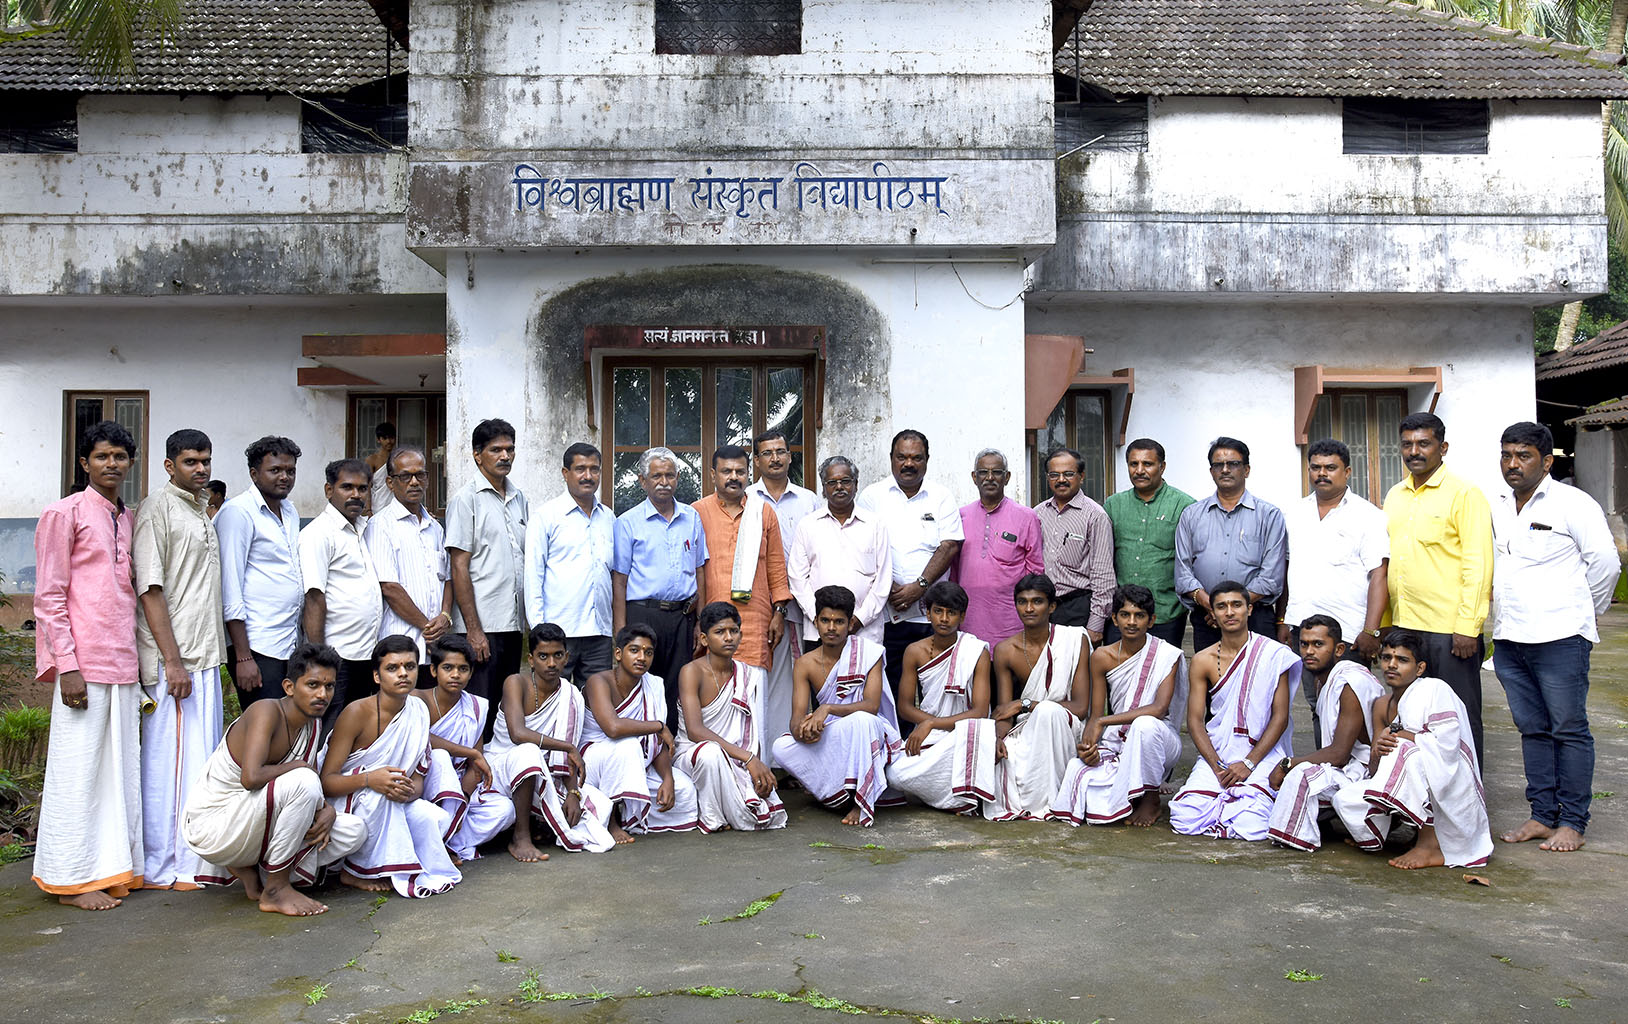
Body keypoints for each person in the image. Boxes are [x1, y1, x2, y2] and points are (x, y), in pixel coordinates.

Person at [1491, 421, 1620, 853]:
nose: (1513, 464)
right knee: (1532, 729)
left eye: (1523, 455)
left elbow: (1605, 564)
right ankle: (1542, 816)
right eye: (1507, 454)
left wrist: (1586, 613)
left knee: (1569, 729)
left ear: (1546, 461)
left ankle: (1573, 822)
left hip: (1561, 637)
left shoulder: (1573, 504)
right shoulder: (1499, 506)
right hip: (1510, 639)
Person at [30, 420, 143, 910]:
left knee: (117, 775)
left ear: (130, 463)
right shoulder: (64, 513)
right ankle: (69, 878)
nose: (111, 464)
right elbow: (49, 596)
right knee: (78, 773)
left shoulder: (129, 518)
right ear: (84, 463)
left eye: (119, 456)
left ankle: (109, 867)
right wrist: (67, 665)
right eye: (101, 456)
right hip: (83, 663)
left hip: (123, 662)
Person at [180, 643, 367, 916]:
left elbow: (308, 790)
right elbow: (252, 777)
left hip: (254, 824)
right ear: (289, 687)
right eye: (312, 684)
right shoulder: (265, 711)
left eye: (329, 686)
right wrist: (300, 767)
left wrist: (326, 810)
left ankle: (256, 875)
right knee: (302, 778)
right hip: (215, 827)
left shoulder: (312, 723)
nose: (322, 694)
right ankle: (276, 889)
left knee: (354, 830)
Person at [134, 427, 229, 890]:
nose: (201, 469)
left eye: (206, 461)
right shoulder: (157, 509)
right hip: (177, 662)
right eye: (191, 462)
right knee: (169, 766)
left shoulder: (201, 511)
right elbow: (150, 591)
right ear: (170, 466)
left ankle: (197, 858)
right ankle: (162, 864)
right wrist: (172, 662)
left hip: (205, 656)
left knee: (199, 764)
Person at [1383, 412, 1493, 766]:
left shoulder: (1465, 494)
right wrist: (1386, 622)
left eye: (1424, 443)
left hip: (1449, 631)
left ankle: (1466, 802)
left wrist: (1467, 627)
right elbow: (1390, 563)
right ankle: (1419, 799)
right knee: (1411, 716)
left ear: (1442, 447)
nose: (1414, 451)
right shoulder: (1395, 496)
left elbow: (1479, 563)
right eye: (1407, 444)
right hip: (1405, 627)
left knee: (1457, 718)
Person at [1332, 630, 1493, 869]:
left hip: (1450, 783)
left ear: (1420, 668)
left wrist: (1401, 737)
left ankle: (1431, 845)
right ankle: (1384, 834)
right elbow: (1376, 769)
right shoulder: (1382, 705)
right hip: (1409, 776)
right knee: (1344, 798)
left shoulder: (1434, 689)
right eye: (1387, 658)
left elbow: (1446, 747)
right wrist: (1378, 748)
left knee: (1405, 750)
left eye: (1402, 660)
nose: (1392, 665)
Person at [320, 635, 462, 897]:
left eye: (409, 666)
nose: (403, 674)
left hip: (393, 799)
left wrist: (409, 791)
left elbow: (418, 776)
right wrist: (370, 779)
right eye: (392, 668)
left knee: (432, 818)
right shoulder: (356, 713)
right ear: (377, 676)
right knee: (378, 796)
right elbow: (326, 781)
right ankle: (354, 871)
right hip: (350, 801)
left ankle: (396, 860)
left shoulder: (418, 709)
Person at [1168, 580, 1301, 840]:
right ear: (1213, 614)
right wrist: (1217, 766)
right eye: (1222, 607)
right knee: (1184, 817)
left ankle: (1231, 807)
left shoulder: (1274, 654)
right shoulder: (1202, 660)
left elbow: (1280, 717)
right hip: (1218, 751)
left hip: (1263, 753)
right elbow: (1195, 721)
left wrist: (1249, 763)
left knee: (1254, 825)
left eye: (1236, 605)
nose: (1229, 612)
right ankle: (1226, 806)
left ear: (1249, 610)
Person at [1047, 584, 1186, 828]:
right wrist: (1089, 747)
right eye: (1125, 615)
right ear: (1114, 618)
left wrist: (1102, 721)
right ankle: (1133, 793)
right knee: (1083, 780)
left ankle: (1151, 798)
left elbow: (1159, 709)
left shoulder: (1166, 655)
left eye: (1139, 616)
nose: (1132, 622)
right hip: (1118, 740)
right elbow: (1095, 712)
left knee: (1144, 726)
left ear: (1151, 621)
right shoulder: (1102, 657)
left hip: (1160, 740)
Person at [771, 586, 901, 827]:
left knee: (863, 721)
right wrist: (804, 729)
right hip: (832, 732)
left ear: (850, 623)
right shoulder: (805, 663)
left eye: (839, 621)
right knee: (781, 747)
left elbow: (871, 706)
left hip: (867, 730)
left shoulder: (868, 653)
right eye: (825, 620)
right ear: (816, 621)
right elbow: (796, 718)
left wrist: (827, 709)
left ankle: (860, 801)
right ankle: (834, 795)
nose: (831, 628)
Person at [488, 624, 617, 854]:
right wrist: (567, 747)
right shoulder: (515, 683)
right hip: (502, 766)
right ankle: (521, 837)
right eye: (543, 656)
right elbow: (518, 735)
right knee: (529, 752)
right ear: (531, 658)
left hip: (545, 772)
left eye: (557, 655)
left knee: (599, 807)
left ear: (566, 657)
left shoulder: (571, 695)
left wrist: (573, 793)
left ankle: (543, 824)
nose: (551, 663)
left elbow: (566, 755)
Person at [856, 429, 963, 696]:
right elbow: (863, 547)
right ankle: (896, 739)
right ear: (891, 458)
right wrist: (889, 587)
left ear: (927, 460)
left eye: (916, 457)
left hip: (931, 615)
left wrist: (919, 587)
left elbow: (949, 546)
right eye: (901, 457)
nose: (909, 464)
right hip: (886, 613)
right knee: (890, 689)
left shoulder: (941, 496)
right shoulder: (872, 496)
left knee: (935, 692)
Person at [1264, 615, 1384, 852]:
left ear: (1339, 649)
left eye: (1318, 644)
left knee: (1300, 776)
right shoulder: (1325, 680)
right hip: (1347, 768)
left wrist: (1288, 764)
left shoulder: (1349, 682)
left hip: (1366, 773)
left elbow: (1339, 755)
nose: (1309, 651)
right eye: (1304, 644)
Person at [612, 446, 708, 730]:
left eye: (669, 475)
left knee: (676, 684)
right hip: (643, 615)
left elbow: (700, 570)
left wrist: (699, 621)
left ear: (677, 478)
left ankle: (671, 749)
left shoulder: (692, 518)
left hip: (682, 617)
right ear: (643, 481)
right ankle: (641, 746)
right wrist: (621, 629)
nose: (663, 482)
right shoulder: (627, 522)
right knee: (639, 681)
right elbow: (620, 579)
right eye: (656, 476)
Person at [693, 445, 793, 714]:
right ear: (713, 474)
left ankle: (751, 755)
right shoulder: (696, 512)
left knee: (754, 703)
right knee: (713, 699)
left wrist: (779, 612)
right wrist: (697, 620)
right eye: (726, 471)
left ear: (749, 473)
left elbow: (775, 566)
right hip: (710, 622)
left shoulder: (763, 512)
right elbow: (692, 570)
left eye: (740, 471)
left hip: (755, 624)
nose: (733, 477)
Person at [983, 574, 1091, 821]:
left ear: (1052, 606)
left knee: (1047, 711)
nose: (1029, 608)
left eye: (1037, 601)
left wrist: (1026, 704)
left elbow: (1081, 707)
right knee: (1004, 757)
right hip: (1025, 729)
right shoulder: (1004, 651)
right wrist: (998, 739)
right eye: (1022, 601)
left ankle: (1053, 802)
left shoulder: (1075, 640)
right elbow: (1003, 712)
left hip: (1065, 726)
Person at [446, 418, 529, 738]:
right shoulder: (466, 500)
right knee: (477, 704)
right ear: (477, 455)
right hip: (481, 626)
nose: (505, 456)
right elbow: (459, 567)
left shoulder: (519, 497)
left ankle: (495, 771)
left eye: (510, 449)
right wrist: (474, 629)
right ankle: (471, 769)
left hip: (511, 623)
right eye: (496, 450)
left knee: (502, 702)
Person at [580, 624, 701, 841]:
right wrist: (658, 726)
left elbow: (655, 744)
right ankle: (611, 820)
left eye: (648, 652)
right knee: (627, 745)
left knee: (685, 791)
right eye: (634, 650)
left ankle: (631, 817)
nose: (642, 657)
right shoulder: (598, 681)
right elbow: (613, 728)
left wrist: (668, 779)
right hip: (594, 761)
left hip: (634, 761)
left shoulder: (653, 685)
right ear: (618, 653)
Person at [675, 602, 787, 832]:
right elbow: (695, 731)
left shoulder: (747, 674)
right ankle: (712, 818)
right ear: (705, 639)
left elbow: (750, 729)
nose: (728, 638)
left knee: (766, 809)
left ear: (741, 634)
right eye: (720, 632)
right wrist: (749, 759)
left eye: (733, 631)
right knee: (710, 753)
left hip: (737, 757)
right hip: (693, 752)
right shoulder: (691, 672)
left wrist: (755, 762)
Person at [885, 581, 995, 814]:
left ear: (962, 616)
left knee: (976, 733)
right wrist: (929, 725)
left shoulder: (976, 650)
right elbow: (904, 706)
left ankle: (947, 792)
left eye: (951, 613)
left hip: (963, 733)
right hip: (931, 735)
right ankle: (954, 793)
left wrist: (931, 722)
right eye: (938, 611)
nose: (944, 618)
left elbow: (980, 712)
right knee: (895, 774)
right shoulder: (914, 651)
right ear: (927, 613)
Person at [1279, 438, 1389, 665]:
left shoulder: (1368, 516)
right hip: (1303, 628)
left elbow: (1380, 574)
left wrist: (1371, 631)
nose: (1322, 473)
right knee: (1312, 697)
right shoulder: (1295, 513)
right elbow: (1286, 568)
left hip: (1347, 632)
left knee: (1347, 696)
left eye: (1330, 468)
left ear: (1347, 471)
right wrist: (1283, 620)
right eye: (1316, 467)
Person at [749, 429, 822, 769]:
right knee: (769, 681)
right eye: (767, 453)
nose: (775, 458)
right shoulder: (748, 499)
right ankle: (771, 757)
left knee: (804, 680)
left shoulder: (809, 500)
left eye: (781, 451)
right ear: (757, 460)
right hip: (762, 604)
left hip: (808, 605)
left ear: (790, 456)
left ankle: (797, 758)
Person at [1175, 437, 1287, 653]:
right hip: (1206, 620)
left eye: (1233, 464)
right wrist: (1212, 606)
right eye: (1218, 465)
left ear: (1246, 470)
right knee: (1209, 683)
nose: (1225, 470)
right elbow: (1182, 573)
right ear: (1211, 471)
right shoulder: (1191, 515)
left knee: (1256, 683)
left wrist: (1228, 607)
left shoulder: (1269, 516)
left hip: (1255, 618)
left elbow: (1271, 577)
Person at [216, 435, 303, 707]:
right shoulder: (238, 513)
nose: (284, 477)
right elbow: (230, 585)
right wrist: (243, 656)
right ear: (254, 474)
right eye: (275, 470)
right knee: (263, 725)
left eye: (290, 471)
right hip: (256, 645)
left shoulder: (289, 511)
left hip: (287, 641)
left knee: (285, 724)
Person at [299, 458, 384, 733]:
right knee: (330, 729)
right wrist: (320, 659)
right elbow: (314, 597)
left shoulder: (363, 529)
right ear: (328, 490)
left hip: (366, 653)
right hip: (338, 655)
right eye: (347, 487)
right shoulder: (318, 534)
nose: (356, 495)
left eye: (362, 488)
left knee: (357, 730)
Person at [524, 442, 615, 687]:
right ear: (566, 474)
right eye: (580, 469)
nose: (588, 476)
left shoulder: (609, 517)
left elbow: (612, 574)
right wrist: (539, 631)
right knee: (553, 703)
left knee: (596, 706)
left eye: (594, 469)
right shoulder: (546, 517)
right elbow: (533, 575)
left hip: (599, 633)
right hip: (558, 634)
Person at [366, 446, 452, 684]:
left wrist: (445, 616)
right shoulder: (380, 526)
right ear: (391, 483)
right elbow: (389, 588)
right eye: (405, 476)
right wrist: (427, 628)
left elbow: (447, 578)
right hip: (401, 646)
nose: (414, 482)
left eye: (420, 475)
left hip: (435, 649)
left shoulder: (435, 528)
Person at [416, 636, 505, 861]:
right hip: (423, 782)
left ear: (471, 672)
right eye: (448, 668)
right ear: (434, 671)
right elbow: (420, 738)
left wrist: (462, 799)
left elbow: (476, 762)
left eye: (463, 668)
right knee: (441, 757)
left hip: (458, 785)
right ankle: (439, 845)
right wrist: (471, 753)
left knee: (504, 810)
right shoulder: (418, 699)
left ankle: (448, 838)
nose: (456, 674)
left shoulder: (476, 706)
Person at [788, 456, 892, 648]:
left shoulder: (875, 525)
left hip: (865, 632)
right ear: (823, 488)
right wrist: (819, 618)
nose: (839, 487)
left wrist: (859, 619)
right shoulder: (808, 525)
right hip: (819, 633)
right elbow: (797, 578)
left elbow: (883, 581)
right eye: (832, 482)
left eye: (845, 481)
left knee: (866, 679)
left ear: (856, 484)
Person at [1103, 439, 1196, 648]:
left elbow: (1194, 560)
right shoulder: (1113, 505)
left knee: (1161, 676)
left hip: (1165, 612)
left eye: (1147, 464)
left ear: (1162, 467)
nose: (1139, 470)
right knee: (1117, 674)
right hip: (1121, 614)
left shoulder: (1185, 506)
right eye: (1133, 464)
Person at [955, 449, 1045, 647]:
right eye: (982, 472)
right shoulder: (960, 516)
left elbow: (1035, 571)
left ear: (1007, 477)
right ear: (974, 477)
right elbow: (953, 570)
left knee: (1008, 675)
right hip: (968, 618)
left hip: (1010, 620)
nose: (989, 478)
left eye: (996, 472)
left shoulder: (1026, 517)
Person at [1034, 447, 1116, 642]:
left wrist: (1096, 623)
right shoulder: (1037, 513)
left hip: (1077, 607)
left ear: (1081, 476)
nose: (1061, 480)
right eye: (1054, 475)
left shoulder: (1095, 516)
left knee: (1076, 670)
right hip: (1042, 608)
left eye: (1068, 474)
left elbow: (1103, 573)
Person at [364, 421, 396, 517]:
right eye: (384, 438)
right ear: (378, 440)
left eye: (391, 438)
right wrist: (368, 510)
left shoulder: (399, 459)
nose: (388, 441)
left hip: (395, 505)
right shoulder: (372, 460)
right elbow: (367, 486)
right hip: (377, 506)